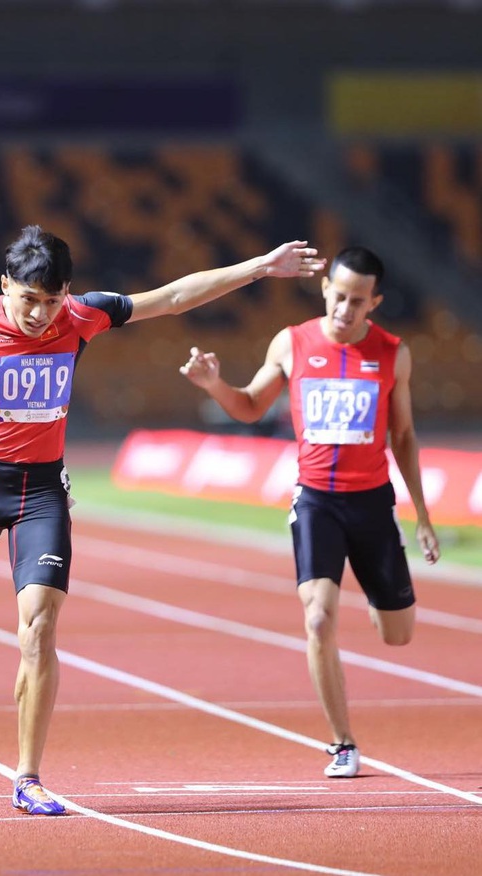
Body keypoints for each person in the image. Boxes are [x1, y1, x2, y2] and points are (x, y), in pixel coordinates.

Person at [0, 224, 325, 814]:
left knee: (40, 628)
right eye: (28, 300)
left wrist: (259, 264)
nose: (39, 314)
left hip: (41, 492)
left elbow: (175, 295)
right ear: (5, 286)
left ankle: (28, 778)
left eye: (51, 302)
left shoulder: (83, 316)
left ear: (67, 294)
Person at [180, 246, 440, 779]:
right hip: (316, 499)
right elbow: (251, 405)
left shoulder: (393, 353)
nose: (346, 309)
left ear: (375, 303)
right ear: (325, 290)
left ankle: (377, 590)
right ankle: (343, 742)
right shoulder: (293, 343)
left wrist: (424, 516)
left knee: (398, 634)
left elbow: (405, 435)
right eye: (339, 296)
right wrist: (214, 386)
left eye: (358, 302)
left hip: (372, 502)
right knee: (318, 615)